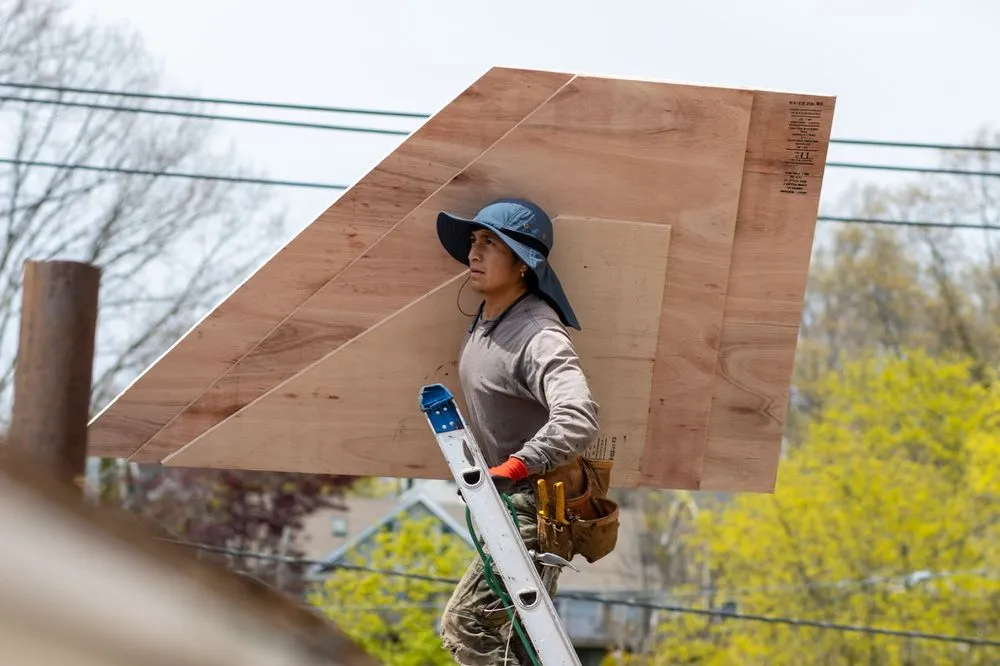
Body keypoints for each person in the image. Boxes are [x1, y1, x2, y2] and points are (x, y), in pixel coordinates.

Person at [434, 197, 608, 665]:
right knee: (519, 641)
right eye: (474, 241)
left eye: (490, 243)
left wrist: (515, 466)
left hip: (536, 504)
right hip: (510, 503)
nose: (474, 253)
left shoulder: (537, 333)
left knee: (469, 623)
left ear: (524, 265)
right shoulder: (489, 320)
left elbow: (579, 415)